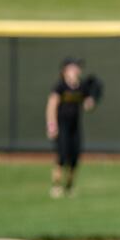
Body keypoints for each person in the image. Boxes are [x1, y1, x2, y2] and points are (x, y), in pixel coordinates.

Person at [45, 57, 96, 198]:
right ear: (65, 71)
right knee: (61, 156)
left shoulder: (81, 87)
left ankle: (69, 186)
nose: (76, 70)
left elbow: (87, 103)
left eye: (77, 68)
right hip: (61, 126)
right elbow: (52, 105)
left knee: (74, 157)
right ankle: (56, 186)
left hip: (75, 126)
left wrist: (91, 101)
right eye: (72, 68)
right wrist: (51, 125)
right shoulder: (60, 86)